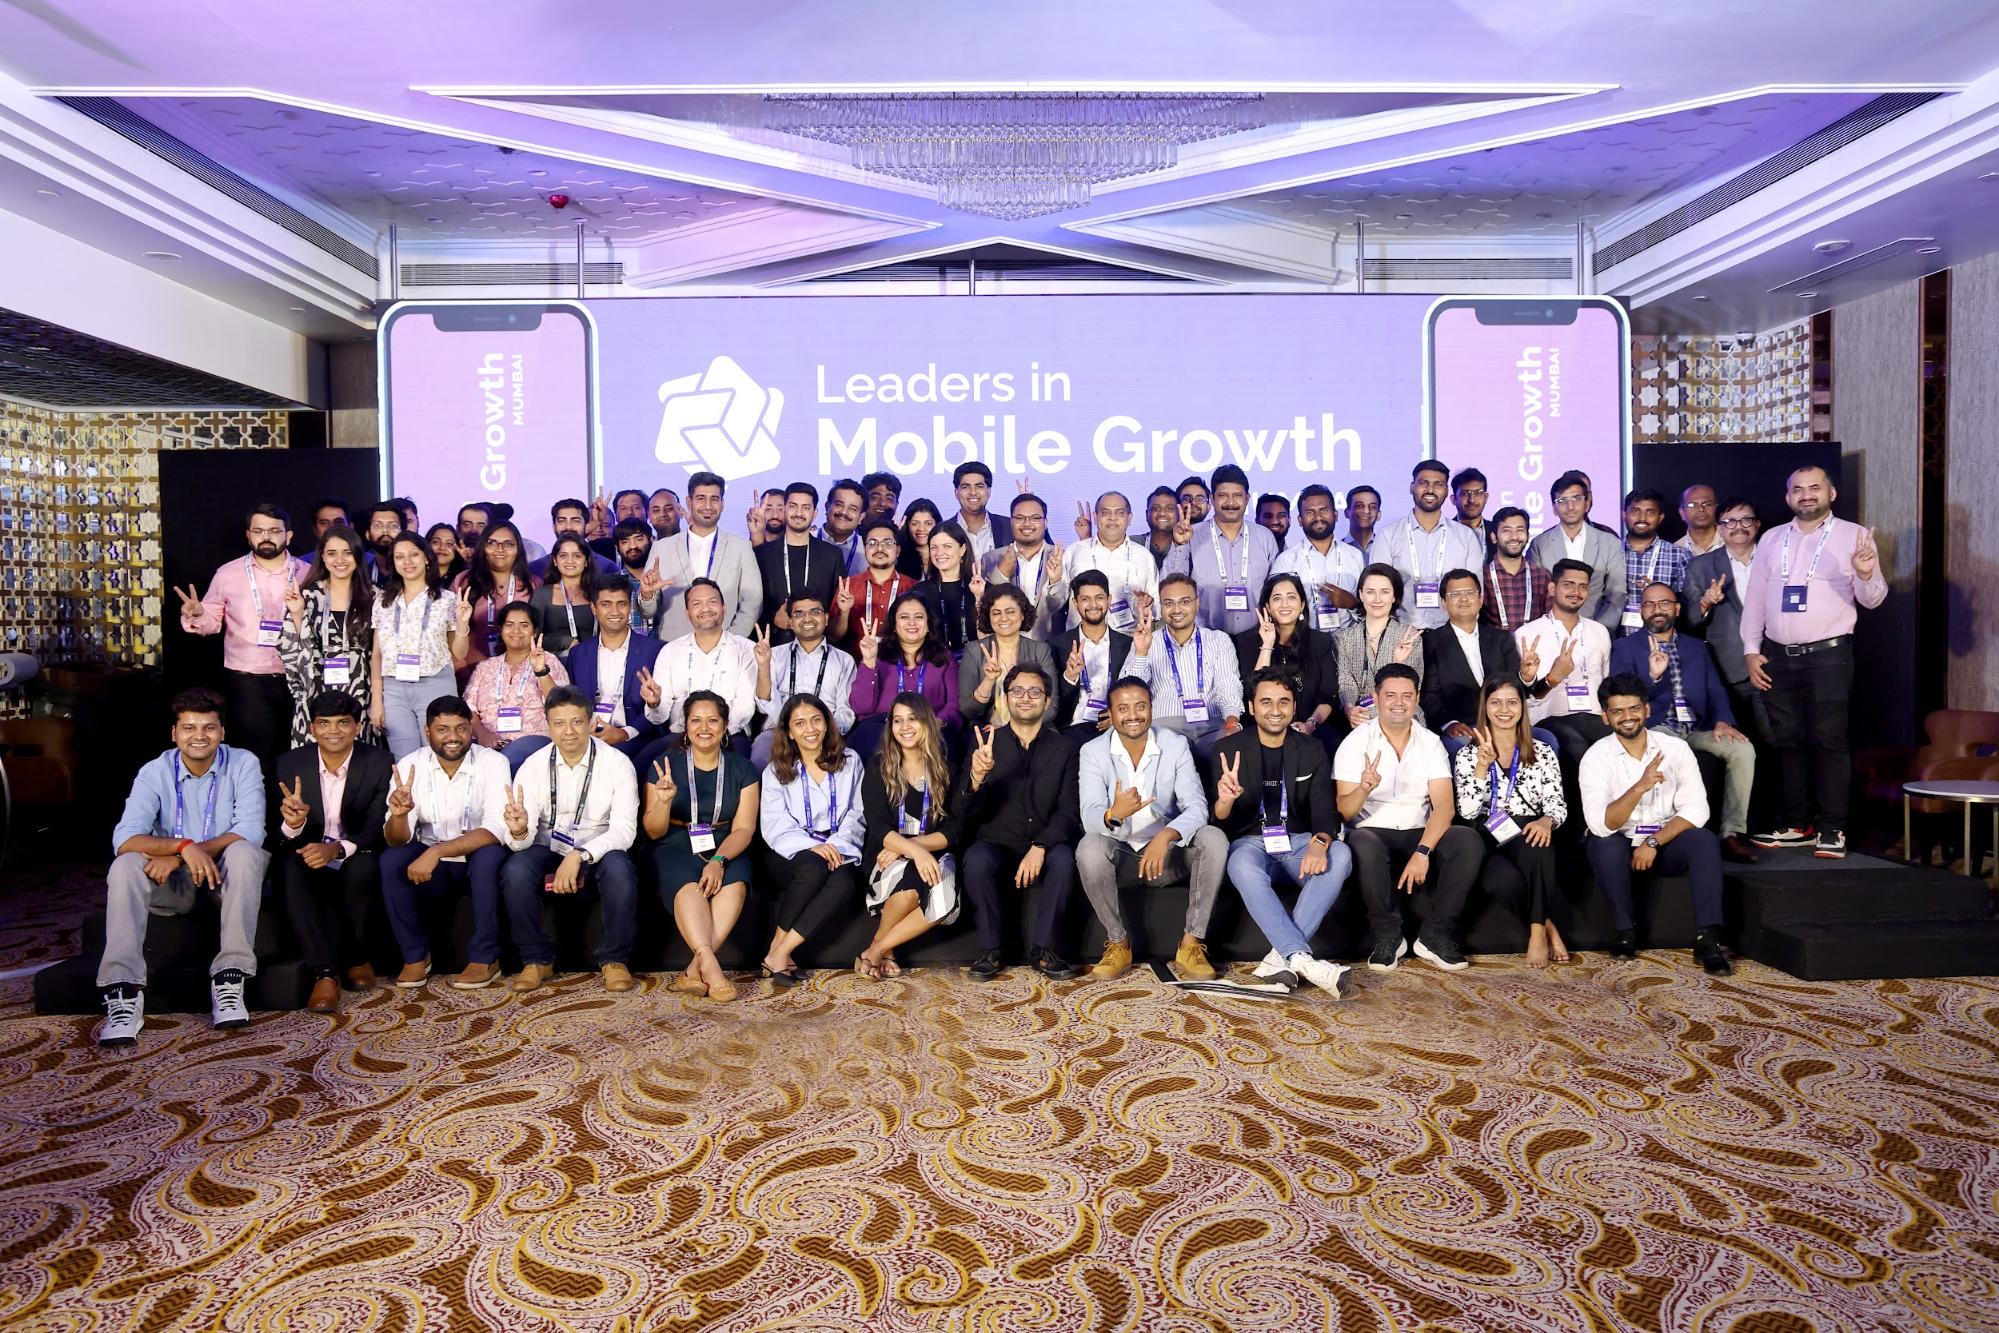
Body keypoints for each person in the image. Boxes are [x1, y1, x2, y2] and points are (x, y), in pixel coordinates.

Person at [96, 688, 269, 1045]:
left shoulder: (243, 763)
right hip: (173, 887)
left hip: (225, 880)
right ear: (174, 733)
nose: (199, 736)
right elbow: (124, 839)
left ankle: (229, 979)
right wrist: (182, 846)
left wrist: (183, 853)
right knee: (126, 866)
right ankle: (124, 992)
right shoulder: (154, 771)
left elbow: (251, 829)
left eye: (208, 728)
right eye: (189, 728)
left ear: (222, 732)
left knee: (246, 851)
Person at [1740, 465, 1885, 859]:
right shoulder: (1771, 539)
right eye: (1798, 489)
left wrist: (1866, 572)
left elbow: (1873, 600)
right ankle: (1796, 824)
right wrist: (1751, 650)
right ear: (1788, 498)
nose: (1806, 495)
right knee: (1787, 742)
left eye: (1815, 488)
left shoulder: (1854, 536)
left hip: (1829, 655)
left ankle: (1833, 828)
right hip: (1777, 656)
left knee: (1829, 740)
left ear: (1831, 494)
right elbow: (1755, 599)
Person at [1211, 668, 1353, 995]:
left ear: (1293, 707)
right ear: (1250, 706)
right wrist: (1225, 801)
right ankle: (1302, 959)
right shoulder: (1228, 749)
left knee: (1341, 853)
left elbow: (1323, 809)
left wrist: (1320, 842)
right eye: (1266, 702)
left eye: (1284, 702)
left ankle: (1282, 958)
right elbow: (1218, 820)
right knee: (1240, 864)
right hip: (1251, 841)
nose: (1275, 710)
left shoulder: (1312, 749)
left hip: (1297, 840)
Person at [1076, 677, 1228, 981]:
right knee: (1089, 847)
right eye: (1123, 708)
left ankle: (1191, 944)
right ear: (1111, 712)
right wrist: (1113, 814)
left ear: (1151, 708)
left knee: (1214, 838)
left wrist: (1166, 835)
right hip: (1123, 857)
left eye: (1140, 706)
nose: (1133, 715)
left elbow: (1197, 806)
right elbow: (1089, 815)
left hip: (1168, 857)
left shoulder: (1174, 744)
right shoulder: (1092, 752)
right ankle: (1118, 943)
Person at [1581, 674, 1732, 975]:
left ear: (1647, 710)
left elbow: (1697, 809)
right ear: (1605, 716)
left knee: (1703, 840)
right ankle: (1625, 932)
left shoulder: (1675, 749)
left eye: (1634, 708)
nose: (1627, 717)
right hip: (1621, 843)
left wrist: (1653, 842)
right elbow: (1600, 824)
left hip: (1663, 842)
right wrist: (1638, 787)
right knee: (1604, 844)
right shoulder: (1595, 757)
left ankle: (1708, 939)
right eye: (1618, 711)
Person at [1335, 663, 1481, 972]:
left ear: (1416, 699)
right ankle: (1388, 934)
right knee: (1361, 841)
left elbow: (1444, 808)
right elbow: (1346, 810)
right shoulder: (1355, 742)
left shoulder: (1430, 742)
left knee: (1467, 839)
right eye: (1390, 695)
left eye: (1406, 696)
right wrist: (1364, 787)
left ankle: (1435, 935)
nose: (1398, 703)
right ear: (1376, 698)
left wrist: (1423, 851)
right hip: (1373, 830)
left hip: (1419, 829)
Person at [498, 686, 642, 993]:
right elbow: (521, 843)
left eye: (577, 721)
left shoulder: (617, 764)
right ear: (548, 726)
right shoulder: (534, 766)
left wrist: (579, 856)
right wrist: (520, 831)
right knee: (515, 870)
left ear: (591, 723)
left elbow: (625, 832)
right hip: (548, 844)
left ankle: (614, 960)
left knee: (620, 869)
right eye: (559, 723)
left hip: (599, 847)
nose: (569, 731)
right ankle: (536, 960)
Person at [1610, 582, 1760, 862]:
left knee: (1743, 750)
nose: (1657, 610)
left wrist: (1723, 720)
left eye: (1664, 603)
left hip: (1697, 726)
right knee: (1669, 754)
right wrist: (1653, 678)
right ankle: (1668, 834)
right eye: (1649, 605)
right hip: (1656, 727)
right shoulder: (1625, 647)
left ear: (1677, 609)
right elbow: (1623, 700)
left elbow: (1715, 689)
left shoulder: (1696, 647)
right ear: (1641, 611)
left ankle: (1730, 834)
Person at [956, 663, 1082, 982]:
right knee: (976, 859)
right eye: (1017, 691)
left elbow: (1070, 810)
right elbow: (962, 810)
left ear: (1048, 700)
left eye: (1035, 692)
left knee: (1065, 859)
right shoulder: (985, 742)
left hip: (1044, 841)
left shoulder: (1066, 748)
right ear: (1006, 698)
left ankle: (1044, 949)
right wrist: (976, 778)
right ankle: (991, 950)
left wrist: (1041, 845)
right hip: (997, 841)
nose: (1026, 698)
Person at [379, 696, 512, 991]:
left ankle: (485, 958)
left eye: (460, 728)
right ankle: (415, 957)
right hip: (433, 870)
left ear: (471, 728)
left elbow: (494, 830)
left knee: (490, 855)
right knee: (391, 860)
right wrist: (399, 815)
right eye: (442, 729)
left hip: (473, 859)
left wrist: (437, 851)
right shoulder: (410, 765)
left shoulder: (493, 761)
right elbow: (396, 838)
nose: (453, 737)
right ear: (428, 732)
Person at [270, 690, 392, 1012]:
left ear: (357, 726)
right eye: (324, 723)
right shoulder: (288, 764)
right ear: (312, 728)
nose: (333, 731)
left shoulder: (378, 762)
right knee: (287, 867)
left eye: (342, 723)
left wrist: (336, 849)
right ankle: (324, 972)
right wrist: (293, 825)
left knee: (365, 867)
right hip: (307, 854)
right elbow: (274, 834)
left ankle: (356, 958)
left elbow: (377, 826)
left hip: (354, 852)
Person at [174, 502, 312, 768]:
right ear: (248, 535)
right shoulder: (228, 574)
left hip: (300, 676)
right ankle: (256, 809)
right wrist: (196, 613)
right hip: (249, 679)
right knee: (256, 752)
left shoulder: (308, 573)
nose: (266, 537)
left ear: (289, 535)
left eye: (274, 530)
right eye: (259, 531)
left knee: (297, 752)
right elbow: (212, 622)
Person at [643, 691, 759, 1002]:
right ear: (685, 725)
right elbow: (653, 831)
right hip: (676, 841)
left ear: (724, 727)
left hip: (726, 842)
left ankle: (694, 970)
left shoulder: (744, 769)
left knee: (735, 884)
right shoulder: (663, 765)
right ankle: (712, 967)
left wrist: (719, 860)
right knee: (689, 886)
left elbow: (745, 829)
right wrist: (664, 803)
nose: (703, 728)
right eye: (696, 720)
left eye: (712, 720)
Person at [1452, 677, 1569, 968]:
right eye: (1496, 702)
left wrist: (1547, 820)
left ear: (1522, 708)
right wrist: (1481, 766)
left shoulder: (1542, 752)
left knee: (1539, 846)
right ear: (1485, 708)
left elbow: (1557, 803)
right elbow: (1467, 812)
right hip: (1486, 832)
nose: (1504, 709)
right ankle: (1549, 926)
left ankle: (1536, 935)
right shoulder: (1467, 754)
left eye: (1512, 702)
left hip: (1527, 827)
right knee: (1500, 881)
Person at [758, 693, 867, 986]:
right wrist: (813, 847)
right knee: (812, 866)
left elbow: (856, 814)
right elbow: (775, 824)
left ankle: (780, 951)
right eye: (800, 723)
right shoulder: (776, 771)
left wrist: (836, 847)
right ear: (789, 732)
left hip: (840, 844)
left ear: (827, 724)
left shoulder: (850, 761)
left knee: (846, 881)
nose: (810, 729)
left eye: (816, 720)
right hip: (791, 850)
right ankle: (778, 952)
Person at [857, 694, 965, 978]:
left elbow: (954, 830)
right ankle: (883, 952)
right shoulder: (878, 766)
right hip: (885, 856)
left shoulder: (945, 767)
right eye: (897, 720)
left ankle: (877, 949)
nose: (905, 726)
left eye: (912, 719)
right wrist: (912, 852)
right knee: (911, 881)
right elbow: (878, 826)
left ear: (927, 723)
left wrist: (913, 847)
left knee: (942, 893)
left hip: (932, 853)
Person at [369, 533, 471, 760]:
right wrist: (377, 700)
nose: (407, 562)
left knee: (439, 754)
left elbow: (460, 652)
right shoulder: (383, 600)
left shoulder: (447, 599)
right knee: (404, 758)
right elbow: (377, 655)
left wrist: (463, 624)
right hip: (394, 688)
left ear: (426, 558)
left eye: (414, 555)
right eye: (399, 557)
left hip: (435, 683)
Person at [277, 524, 378, 749]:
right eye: (332, 553)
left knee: (357, 756)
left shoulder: (375, 596)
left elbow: (381, 651)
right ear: (322, 557)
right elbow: (288, 647)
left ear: (358, 556)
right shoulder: (307, 595)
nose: (339, 560)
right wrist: (296, 613)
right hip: (316, 687)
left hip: (360, 690)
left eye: (347, 552)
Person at [1517, 558, 1615, 778]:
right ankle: (1577, 813)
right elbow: (1524, 698)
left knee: (1619, 744)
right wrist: (1553, 678)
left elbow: (1605, 682)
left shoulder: (1599, 632)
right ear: (1552, 588)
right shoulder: (1527, 634)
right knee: (1576, 749)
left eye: (1583, 586)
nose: (1576, 592)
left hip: (1594, 716)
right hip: (1549, 717)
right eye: (1568, 584)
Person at [642, 579, 758, 759]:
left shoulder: (746, 649)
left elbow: (745, 705)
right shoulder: (670, 651)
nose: (706, 609)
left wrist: (715, 732)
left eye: (712, 602)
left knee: (741, 770)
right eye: (697, 604)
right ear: (687, 613)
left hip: (730, 735)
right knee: (643, 763)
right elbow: (659, 716)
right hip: (680, 735)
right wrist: (654, 703)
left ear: (724, 608)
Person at [1684, 496, 1767, 740]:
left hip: (1774, 662)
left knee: (1777, 739)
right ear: (1720, 527)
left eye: (1746, 520)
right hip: (1727, 666)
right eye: (1730, 521)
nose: (1738, 527)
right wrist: (1706, 601)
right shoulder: (1701, 566)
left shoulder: (1775, 558)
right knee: (1737, 739)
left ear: (1757, 524)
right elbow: (1689, 620)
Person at [1421, 568, 1526, 757]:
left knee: (1547, 740)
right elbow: (1429, 695)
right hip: (1462, 726)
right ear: (1444, 602)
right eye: (1455, 594)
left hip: (1505, 721)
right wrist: (1449, 723)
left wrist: (1527, 676)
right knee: (1460, 748)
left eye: (1470, 593)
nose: (1463, 599)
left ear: (1480, 599)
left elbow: (1516, 687)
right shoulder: (1429, 643)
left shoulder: (1502, 639)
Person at [1162, 464, 1279, 634]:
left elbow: (1276, 590)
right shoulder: (1192, 535)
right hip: (1204, 639)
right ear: (1212, 498)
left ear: (1247, 498)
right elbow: (1168, 585)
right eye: (1223, 495)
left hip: (1257, 638)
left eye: (1237, 495)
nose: (1230, 502)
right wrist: (1179, 545)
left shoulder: (1265, 537)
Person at [648, 471, 764, 640]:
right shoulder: (662, 548)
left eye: (714, 499)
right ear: (689, 502)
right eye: (701, 498)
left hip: (726, 649)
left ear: (722, 504)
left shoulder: (740, 547)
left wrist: (731, 639)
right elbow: (647, 611)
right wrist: (646, 596)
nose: (708, 506)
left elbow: (753, 602)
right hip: (672, 647)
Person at [1144, 572, 1245, 760]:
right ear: (1161, 606)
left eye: (1184, 602)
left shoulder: (1218, 640)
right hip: (1165, 726)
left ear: (1196, 604)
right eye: (1169, 603)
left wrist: (1231, 721)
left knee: (1234, 752)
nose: (1177, 609)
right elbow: (1132, 687)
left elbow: (1228, 686)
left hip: (1212, 725)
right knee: (1167, 758)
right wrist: (1141, 652)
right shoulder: (1147, 641)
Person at [1377, 461, 1486, 631]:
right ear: (1412, 487)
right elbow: (1377, 593)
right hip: (1402, 635)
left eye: (1438, 484)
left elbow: (1474, 593)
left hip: (1451, 635)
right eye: (1423, 483)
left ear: (1446, 491)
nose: (1430, 490)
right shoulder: (1388, 535)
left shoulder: (1465, 537)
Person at [851, 592, 961, 756]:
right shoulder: (877, 654)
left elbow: (954, 705)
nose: (912, 622)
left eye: (919, 616)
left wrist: (935, 724)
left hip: (929, 727)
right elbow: (861, 706)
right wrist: (869, 662)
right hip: (882, 728)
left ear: (929, 623)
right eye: (904, 617)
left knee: (945, 746)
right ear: (894, 625)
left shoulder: (944, 658)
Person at [463, 602, 569, 772]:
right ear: (501, 629)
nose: (516, 631)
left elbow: (561, 706)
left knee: (500, 767)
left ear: (534, 631)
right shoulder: (485, 667)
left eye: (524, 625)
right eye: (509, 625)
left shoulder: (548, 661)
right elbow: (468, 709)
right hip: (488, 743)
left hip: (533, 740)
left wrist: (540, 671)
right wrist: (481, 732)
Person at [753, 592, 857, 765]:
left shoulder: (844, 660)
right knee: (761, 753)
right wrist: (764, 665)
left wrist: (822, 732)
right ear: (790, 622)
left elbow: (845, 712)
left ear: (826, 617)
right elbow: (764, 706)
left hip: (825, 733)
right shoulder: (774, 655)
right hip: (780, 731)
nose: (807, 618)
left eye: (815, 612)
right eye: (799, 614)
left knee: (847, 760)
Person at [1233, 573, 1336, 747]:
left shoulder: (1320, 642)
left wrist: (1310, 724)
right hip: (1262, 728)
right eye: (1277, 598)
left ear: (1302, 604)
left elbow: (1327, 697)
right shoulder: (1246, 641)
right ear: (1268, 606)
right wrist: (1267, 645)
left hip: (1309, 726)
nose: (1285, 604)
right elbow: (1251, 692)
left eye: (1291, 598)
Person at [1050, 570, 1151, 742]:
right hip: (1073, 727)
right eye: (1085, 599)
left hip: (1117, 726)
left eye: (1099, 597)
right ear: (1075, 603)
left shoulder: (1128, 644)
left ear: (1109, 600)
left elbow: (1140, 690)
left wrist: (1118, 715)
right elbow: (1053, 703)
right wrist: (1070, 676)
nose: (1093, 605)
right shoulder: (1057, 645)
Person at [1528, 471, 1625, 632]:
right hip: (1551, 633)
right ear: (1554, 508)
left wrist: (1598, 630)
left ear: (1587, 503)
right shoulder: (1539, 544)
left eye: (1576, 499)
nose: (1570, 506)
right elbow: (1536, 595)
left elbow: (1616, 594)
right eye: (1562, 500)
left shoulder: (1610, 543)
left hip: (1597, 630)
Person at [1334, 564, 1424, 730]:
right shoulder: (1344, 637)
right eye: (1370, 592)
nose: (1377, 599)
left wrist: (1396, 663)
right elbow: (1346, 683)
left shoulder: (1409, 636)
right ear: (1361, 595)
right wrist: (1349, 708)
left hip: (1400, 713)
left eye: (1384, 592)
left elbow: (1410, 689)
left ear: (1394, 596)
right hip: (1357, 716)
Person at [755, 482, 844, 642]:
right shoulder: (762, 554)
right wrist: (774, 617)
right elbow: (752, 603)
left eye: (806, 507)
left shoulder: (832, 555)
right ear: (785, 509)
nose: (798, 513)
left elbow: (836, 606)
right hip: (774, 645)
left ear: (815, 513)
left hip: (818, 645)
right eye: (793, 506)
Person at [959, 585, 1059, 728]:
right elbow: (968, 710)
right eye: (996, 613)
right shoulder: (974, 651)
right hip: (989, 731)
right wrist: (988, 681)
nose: (1003, 618)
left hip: (1033, 730)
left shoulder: (1040, 650)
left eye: (1010, 611)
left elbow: (1052, 707)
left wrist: (1011, 727)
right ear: (988, 616)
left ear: (1022, 614)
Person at [452, 520, 537, 683]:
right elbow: (450, 632)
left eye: (508, 544)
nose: (500, 549)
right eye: (492, 543)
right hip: (470, 670)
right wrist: (462, 671)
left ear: (518, 549)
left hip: (521, 674)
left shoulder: (533, 584)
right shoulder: (463, 582)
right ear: (482, 547)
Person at [1270, 484, 1363, 632]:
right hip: (1305, 645)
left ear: (1335, 515)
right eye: (1310, 512)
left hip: (1350, 642)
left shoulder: (1355, 556)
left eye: (1324, 510)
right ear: (1300, 520)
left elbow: (1369, 609)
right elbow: (1275, 611)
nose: (1318, 517)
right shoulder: (1286, 561)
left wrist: (1351, 603)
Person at [1065, 491, 1159, 634]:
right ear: (1096, 517)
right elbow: (1056, 603)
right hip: (1081, 644)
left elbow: (1157, 608)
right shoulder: (1074, 552)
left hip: (1130, 642)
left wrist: (1146, 608)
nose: (1112, 518)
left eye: (1120, 513)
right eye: (1105, 513)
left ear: (1129, 518)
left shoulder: (1144, 557)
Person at [980, 492, 1067, 637]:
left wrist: (1055, 581)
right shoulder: (991, 558)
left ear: (1046, 523)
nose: (1027, 523)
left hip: (1049, 648)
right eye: (1020, 518)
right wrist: (1001, 574)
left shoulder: (1062, 557)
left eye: (1035, 518)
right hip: (1004, 647)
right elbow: (987, 608)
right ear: (1011, 522)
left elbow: (1057, 606)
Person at [833, 518, 916, 656]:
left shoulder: (913, 587)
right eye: (872, 543)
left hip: (901, 669)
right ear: (864, 549)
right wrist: (844, 612)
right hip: (858, 667)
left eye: (887, 543)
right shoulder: (849, 586)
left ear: (898, 551)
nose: (879, 548)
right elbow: (835, 636)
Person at [1615, 490, 1691, 637]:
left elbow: (1686, 606)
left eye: (1650, 512)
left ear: (1660, 517)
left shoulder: (1678, 555)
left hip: (1661, 642)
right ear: (1624, 514)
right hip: (1615, 641)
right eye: (1635, 511)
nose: (1642, 518)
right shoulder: (1610, 552)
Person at [916, 521, 982, 659]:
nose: (940, 553)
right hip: (934, 667)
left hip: (977, 666)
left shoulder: (981, 588)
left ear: (962, 549)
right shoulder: (919, 593)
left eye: (947, 546)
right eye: (934, 547)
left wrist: (979, 598)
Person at [1481, 506, 1550, 633]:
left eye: (1520, 530)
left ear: (1528, 536)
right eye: (1506, 531)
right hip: (1495, 650)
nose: (1514, 537)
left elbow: (1551, 621)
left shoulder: (1542, 576)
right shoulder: (1482, 577)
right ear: (1494, 537)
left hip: (1534, 649)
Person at [528, 535, 600, 656]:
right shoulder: (542, 595)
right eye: (563, 556)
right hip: (554, 664)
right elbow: (531, 636)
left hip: (594, 659)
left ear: (586, 561)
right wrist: (565, 641)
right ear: (555, 561)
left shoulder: (599, 593)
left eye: (577, 556)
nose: (570, 561)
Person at [528, 499, 617, 580]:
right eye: (562, 521)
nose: (568, 526)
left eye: (576, 521)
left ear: (586, 526)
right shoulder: (536, 568)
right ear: (554, 526)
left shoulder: (606, 567)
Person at [950, 460, 1012, 563]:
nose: (973, 492)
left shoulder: (1009, 526)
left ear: (989, 491)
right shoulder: (943, 530)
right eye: (965, 487)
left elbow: (1044, 550)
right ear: (956, 493)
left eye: (979, 486)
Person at [611, 518, 662, 627]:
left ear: (651, 541)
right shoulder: (611, 584)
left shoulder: (665, 576)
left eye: (638, 539)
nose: (632, 546)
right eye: (625, 542)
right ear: (617, 548)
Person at [820, 478, 866, 574]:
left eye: (853, 509)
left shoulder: (867, 549)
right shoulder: (804, 540)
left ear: (861, 517)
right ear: (827, 506)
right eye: (839, 505)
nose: (844, 512)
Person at [895, 498, 943, 581]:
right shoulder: (898, 557)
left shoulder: (946, 555)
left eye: (928, 524)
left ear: (937, 524)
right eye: (915, 524)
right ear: (907, 525)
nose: (921, 529)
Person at [360, 502, 405, 585]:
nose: (385, 531)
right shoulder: (362, 576)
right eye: (377, 526)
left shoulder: (413, 571)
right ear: (367, 534)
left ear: (404, 533)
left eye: (393, 526)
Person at [1450, 468, 1493, 554]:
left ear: (1486, 497)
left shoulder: (1496, 531)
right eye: (1465, 493)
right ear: (1453, 499)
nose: (1472, 500)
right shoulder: (1445, 532)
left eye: (1478, 493)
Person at [1675, 484, 1723, 557]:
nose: (1701, 509)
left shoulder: (1734, 542)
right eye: (1692, 505)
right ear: (1682, 513)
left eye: (1707, 504)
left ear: (1717, 509)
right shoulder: (1675, 551)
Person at [1143, 486, 1180, 569]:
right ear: (1147, 514)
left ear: (1179, 514)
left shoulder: (1187, 547)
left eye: (1169, 509)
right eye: (1155, 509)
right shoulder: (1132, 543)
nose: (1162, 513)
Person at [1343, 485, 1381, 557]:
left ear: (1379, 514)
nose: (1366, 511)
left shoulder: (1386, 548)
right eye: (1359, 506)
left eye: (1372, 507)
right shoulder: (1335, 550)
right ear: (1347, 513)